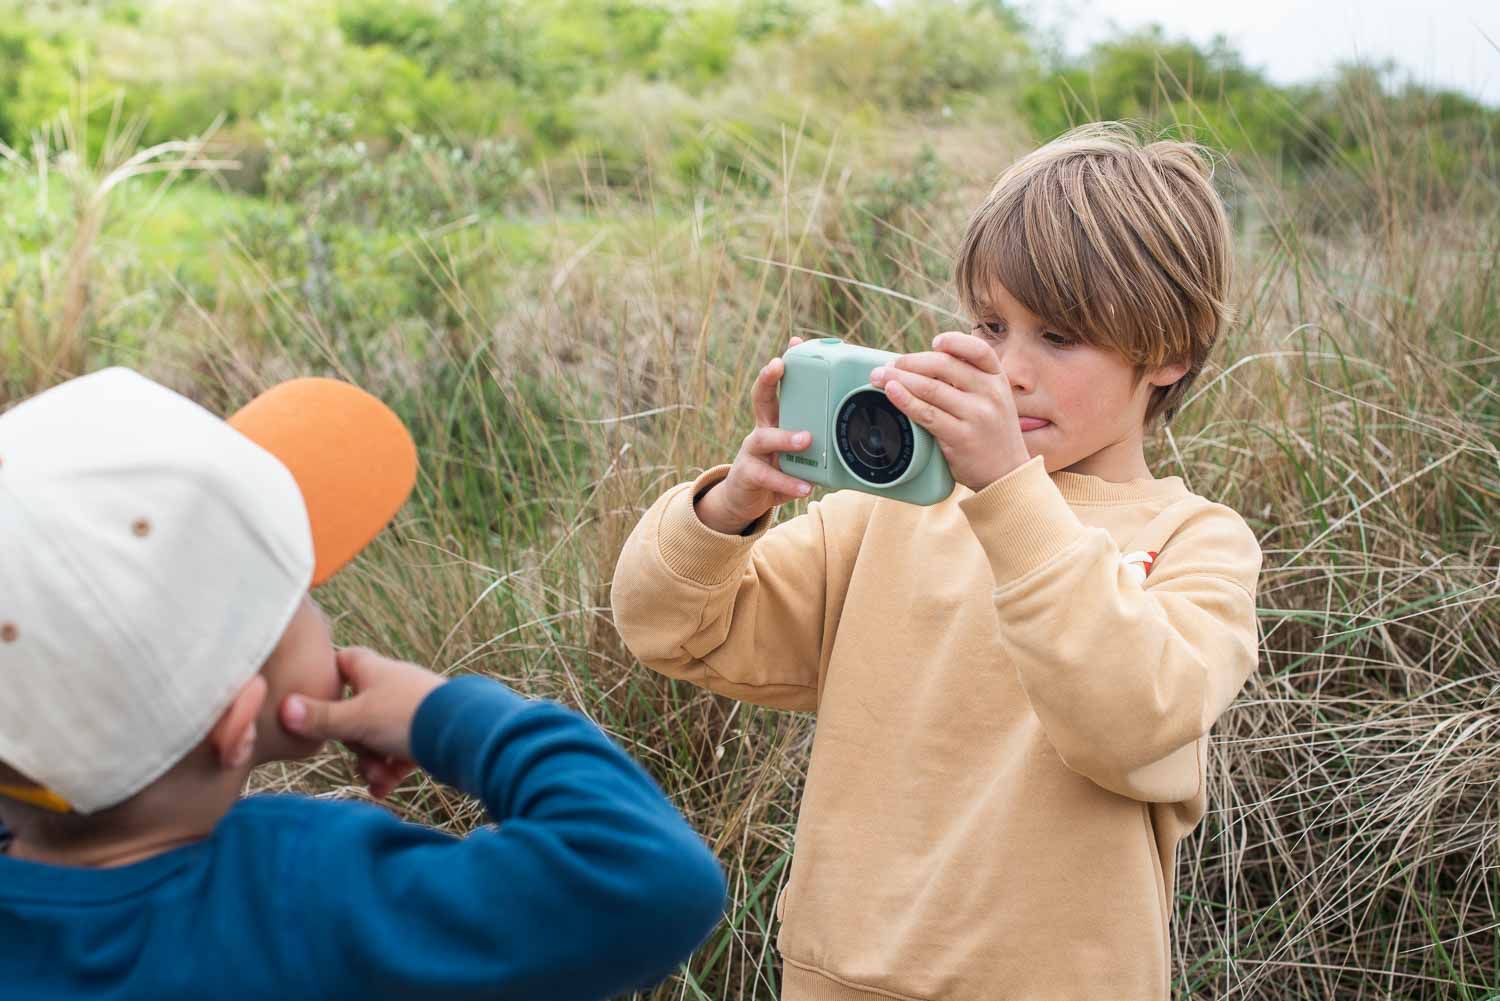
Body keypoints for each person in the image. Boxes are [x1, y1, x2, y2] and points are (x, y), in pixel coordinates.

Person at [610, 122, 1263, 1001]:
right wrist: (730, 507)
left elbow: (1130, 720)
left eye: (1059, 336)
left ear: (1170, 352)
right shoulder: (896, 509)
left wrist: (1009, 492)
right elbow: (668, 626)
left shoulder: (1199, 542)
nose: (1009, 369)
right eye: (991, 325)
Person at [0, 367, 726, 1000]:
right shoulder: (307, 900)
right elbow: (654, 877)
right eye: (303, 596)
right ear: (235, 725)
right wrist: (445, 716)